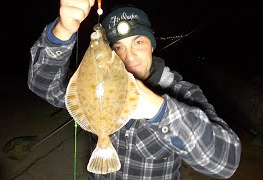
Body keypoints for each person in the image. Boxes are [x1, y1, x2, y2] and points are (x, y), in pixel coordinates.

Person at [27, 0, 241, 179]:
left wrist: (159, 110)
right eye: (118, 48)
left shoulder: (183, 93)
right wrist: (63, 31)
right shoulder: (93, 85)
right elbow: (43, 85)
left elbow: (226, 162)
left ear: (151, 45)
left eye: (138, 42)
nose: (128, 57)